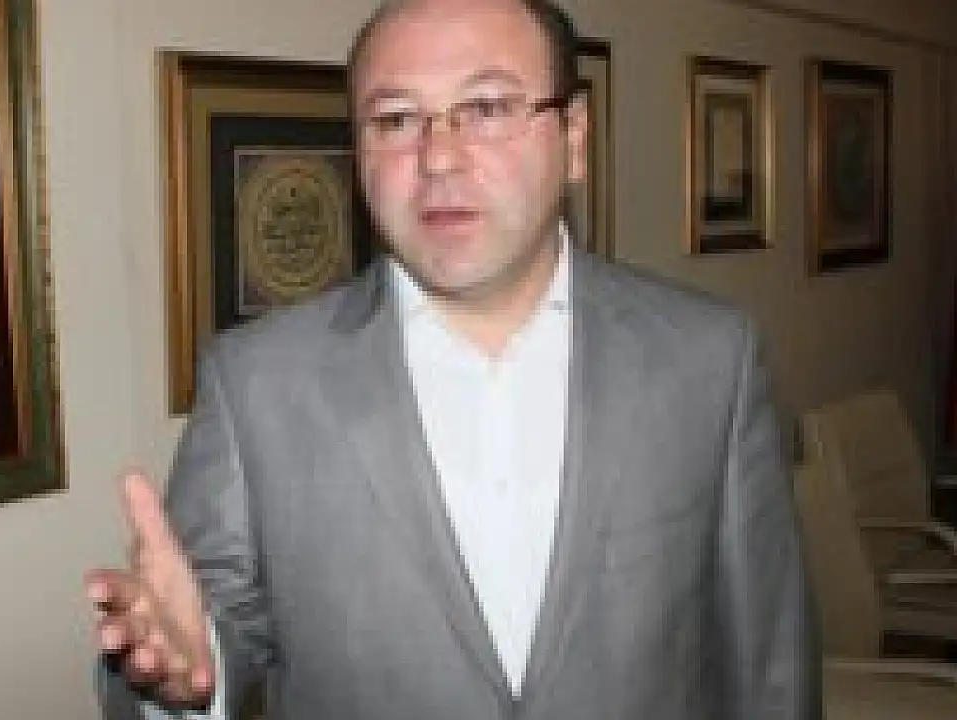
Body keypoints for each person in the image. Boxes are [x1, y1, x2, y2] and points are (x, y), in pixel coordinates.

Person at [86, 0, 821, 717]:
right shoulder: (256, 386)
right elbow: (190, 640)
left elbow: (771, 671)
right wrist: (181, 679)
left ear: (572, 136)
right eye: (396, 120)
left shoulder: (708, 361)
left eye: (488, 108)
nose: (437, 158)